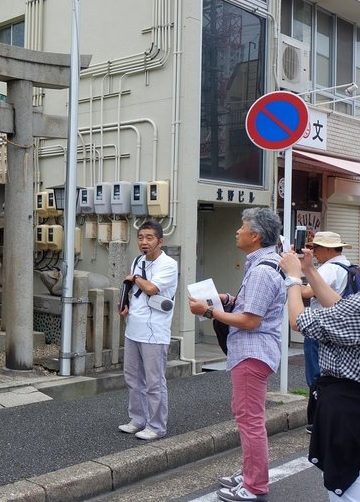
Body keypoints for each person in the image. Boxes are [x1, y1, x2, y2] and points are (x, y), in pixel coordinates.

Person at [188, 207, 286, 502]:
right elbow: (250, 308)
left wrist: (209, 311)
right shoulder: (265, 263)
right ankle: (250, 474)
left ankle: (255, 485)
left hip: (252, 353)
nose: (237, 231)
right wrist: (228, 299)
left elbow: (250, 321)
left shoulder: (262, 271)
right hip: (254, 352)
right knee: (247, 416)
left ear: (255, 236)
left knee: (250, 420)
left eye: (241, 227)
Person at [280, 247, 360, 502]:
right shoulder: (355, 306)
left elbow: (300, 321)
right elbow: (341, 307)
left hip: (349, 405)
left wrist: (293, 278)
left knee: (347, 482)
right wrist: (309, 270)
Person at [117, 219, 178, 441]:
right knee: (132, 378)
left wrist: (134, 277)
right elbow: (135, 290)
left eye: (149, 238)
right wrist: (125, 305)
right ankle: (138, 420)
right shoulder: (137, 260)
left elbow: (152, 289)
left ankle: (157, 426)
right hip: (133, 327)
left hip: (155, 331)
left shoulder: (169, 264)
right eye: (141, 237)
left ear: (160, 241)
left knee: (154, 381)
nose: (144, 242)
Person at [296, 231, 350, 433]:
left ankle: (318, 421)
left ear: (328, 249)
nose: (313, 251)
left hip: (321, 328)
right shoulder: (347, 266)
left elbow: (308, 292)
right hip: (341, 329)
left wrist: (293, 279)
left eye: (316, 248)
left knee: (316, 377)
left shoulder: (329, 269)